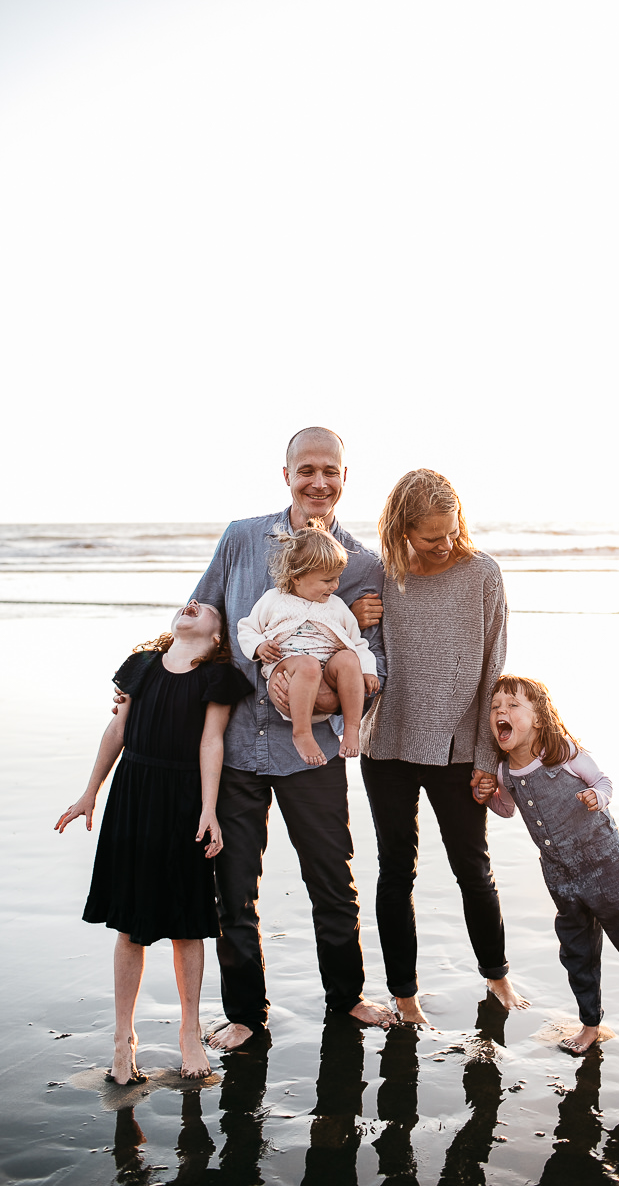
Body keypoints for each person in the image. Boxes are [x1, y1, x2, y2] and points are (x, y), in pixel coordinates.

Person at [187, 426, 393, 1049]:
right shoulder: (242, 538)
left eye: (330, 470)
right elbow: (201, 620)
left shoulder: (361, 565)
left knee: (332, 877)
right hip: (236, 746)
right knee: (234, 887)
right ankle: (246, 1012)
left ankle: (347, 996)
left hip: (316, 752)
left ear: (344, 478)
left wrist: (319, 694)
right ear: (287, 475)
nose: (319, 482)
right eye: (307, 469)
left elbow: (370, 664)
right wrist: (142, 676)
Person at [55, 601, 252, 1084]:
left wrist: (209, 808)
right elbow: (117, 730)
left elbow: (212, 741)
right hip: (134, 793)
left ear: (216, 636)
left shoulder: (218, 676)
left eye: (206, 608)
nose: (194, 606)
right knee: (130, 924)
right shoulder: (140, 666)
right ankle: (123, 1038)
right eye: (189, 604)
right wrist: (89, 792)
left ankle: (189, 1031)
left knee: (187, 922)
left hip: (185, 797)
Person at [359, 468, 528, 1024]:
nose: (444, 542)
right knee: (395, 870)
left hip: (458, 749)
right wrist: (355, 620)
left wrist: (488, 762)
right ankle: (404, 995)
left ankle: (497, 975)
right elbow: (357, 654)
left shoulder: (482, 574)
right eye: (431, 535)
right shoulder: (382, 576)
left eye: (451, 530)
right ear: (404, 529)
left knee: (471, 867)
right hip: (387, 745)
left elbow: (491, 673)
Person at [474, 674, 619, 1054]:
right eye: (495, 708)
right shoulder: (506, 771)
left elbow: (604, 781)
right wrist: (487, 794)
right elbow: (507, 809)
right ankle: (590, 1024)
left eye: (512, 705)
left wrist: (596, 796)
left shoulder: (565, 753)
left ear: (538, 718)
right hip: (561, 878)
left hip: (608, 870)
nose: (500, 712)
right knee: (578, 954)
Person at [237, 522, 379, 767]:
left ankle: (352, 728)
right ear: (297, 577)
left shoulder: (336, 606)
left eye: (337, 579)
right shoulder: (273, 600)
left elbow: (357, 643)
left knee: (347, 658)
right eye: (327, 580)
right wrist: (259, 646)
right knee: (308, 665)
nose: (335, 587)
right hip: (288, 672)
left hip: (328, 676)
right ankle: (301, 733)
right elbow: (247, 628)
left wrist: (368, 670)